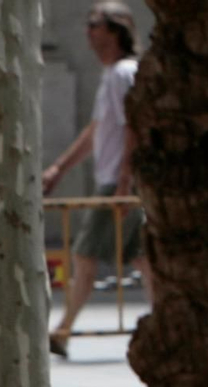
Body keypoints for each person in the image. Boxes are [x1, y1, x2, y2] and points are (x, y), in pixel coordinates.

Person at [42, 2, 145, 359]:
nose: (88, 31)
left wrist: (125, 181)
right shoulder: (112, 76)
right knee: (142, 258)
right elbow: (96, 131)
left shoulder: (123, 74)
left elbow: (134, 125)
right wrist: (59, 168)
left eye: (94, 24)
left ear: (114, 31)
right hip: (117, 181)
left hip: (117, 183)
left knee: (84, 254)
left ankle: (63, 331)